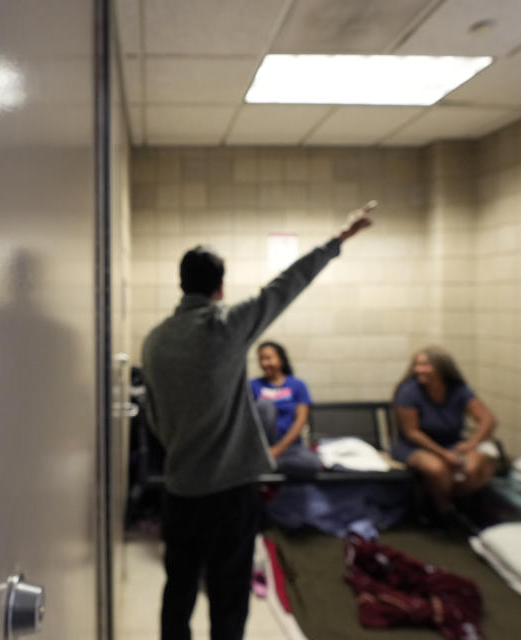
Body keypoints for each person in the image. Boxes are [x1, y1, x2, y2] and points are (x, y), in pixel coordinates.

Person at [142, 201, 376, 640]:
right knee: (229, 593)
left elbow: (154, 418)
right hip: (230, 493)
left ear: (181, 284)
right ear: (220, 287)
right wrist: (338, 240)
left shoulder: (154, 342)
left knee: (178, 588)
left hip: (180, 492)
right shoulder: (227, 326)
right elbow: (286, 286)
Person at [392, 347, 497, 516]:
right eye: (417, 365)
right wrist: (443, 454)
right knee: (437, 469)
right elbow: (412, 433)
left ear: (441, 368)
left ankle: (440, 499)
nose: (419, 369)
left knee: (477, 467)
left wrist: (471, 444)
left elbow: (488, 419)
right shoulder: (409, 391)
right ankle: (443, 513)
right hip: (414, 446)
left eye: (425, 365)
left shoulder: (458, 390)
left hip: (452, 443)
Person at [250, 341, 311, 459]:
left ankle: (266, 463)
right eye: (261, 359)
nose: (264, 363)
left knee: (312, 464)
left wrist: (278, 450)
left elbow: (300, 420)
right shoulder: (252, 385)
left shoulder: (298, 385)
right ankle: (264, 460)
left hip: (289, 446)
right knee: (264, 404)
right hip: (263, 445)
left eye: (268, 358)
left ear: (281, 359)